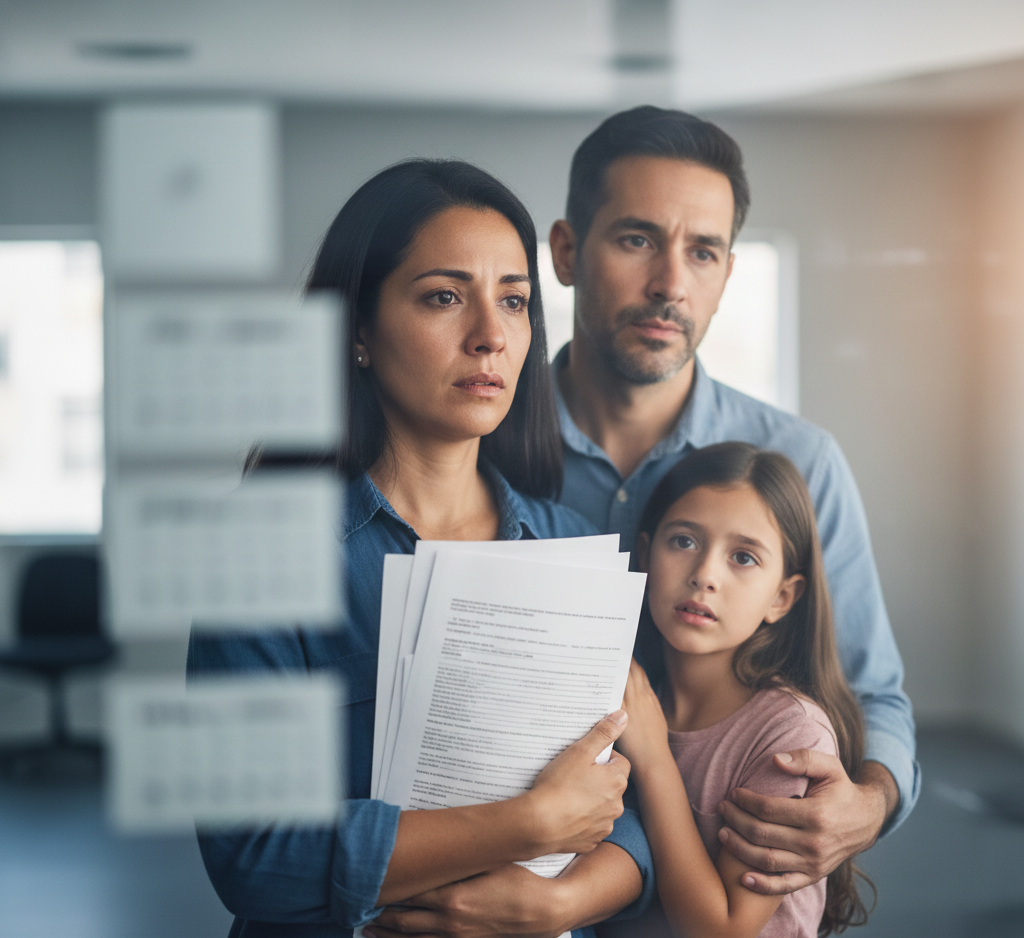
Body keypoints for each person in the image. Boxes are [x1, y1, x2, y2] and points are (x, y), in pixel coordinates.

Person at [189, 159, 653, 938]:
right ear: (359, 331)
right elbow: (255, 855)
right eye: (445, 297)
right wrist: (526, 825)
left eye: (514, 300)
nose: (491, 335)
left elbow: (640, 807)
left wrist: (566, 901)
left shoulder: (575, 548)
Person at [549, 106, 921, 897]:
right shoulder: (480, 450)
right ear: (567, 252)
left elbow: (872, 688)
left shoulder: (803, 462)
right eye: (637, 239)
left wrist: (872, 801)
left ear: (726, 272)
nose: (670, 285)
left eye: (703, 251)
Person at [607, 442, 872, 938]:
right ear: (645, 553)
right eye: (683, 542)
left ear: (782, 596)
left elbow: (723, 929)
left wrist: (654, 757)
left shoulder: (790, 734)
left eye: (743, 557)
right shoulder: (635, 698)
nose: (705, 575)